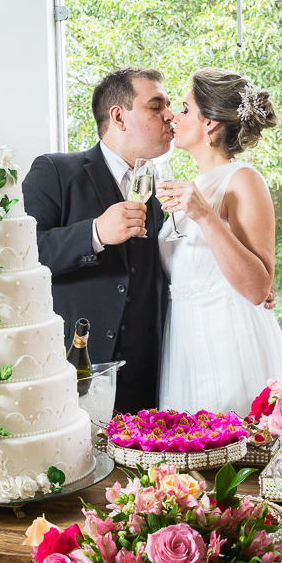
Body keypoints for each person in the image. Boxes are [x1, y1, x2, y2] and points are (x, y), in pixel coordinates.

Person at [23, 67, 175, 413]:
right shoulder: (56, 171)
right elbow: (25, 257)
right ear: (119, 116)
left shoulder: (158, 192)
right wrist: (95, 233)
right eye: (156, 106)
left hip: (144, 382)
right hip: (68, 370)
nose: (170, 116)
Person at [156, 68, 282, 417]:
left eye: (184, 109)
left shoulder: (243, 180)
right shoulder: (190, 185)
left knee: (235, 462)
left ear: (210, 123)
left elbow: (259, 287)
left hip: (231, 342)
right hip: (185, 344)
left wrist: (204, 215)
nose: (172, 115)